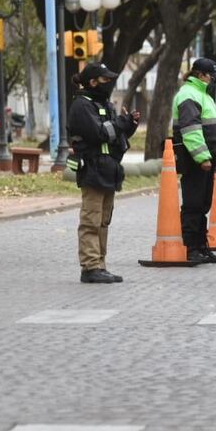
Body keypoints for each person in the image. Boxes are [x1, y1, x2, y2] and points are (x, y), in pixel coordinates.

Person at [67, 62, 141, 284]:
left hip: (108, 170)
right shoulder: (81, 105)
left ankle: (100, 264)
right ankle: (90, 267)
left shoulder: (105, 105)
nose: (109, 84)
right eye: (105, 80)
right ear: (92, 82)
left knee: (103, 221)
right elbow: (99, 133)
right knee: (91, 220)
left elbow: (115, 138)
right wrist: (119, 123)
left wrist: (129, 125)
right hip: (92, 169)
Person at [172, 57, 216, 264]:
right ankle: (192, 248)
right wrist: (203, 157)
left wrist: (215, 159)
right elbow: (191, 130)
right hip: (195, 159)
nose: (213, 81)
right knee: (193, 204)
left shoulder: (202, 95)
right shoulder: (189, 95)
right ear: (201, 75)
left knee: (203, 204)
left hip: (206, 159)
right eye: (211, 76)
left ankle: (202, 247)